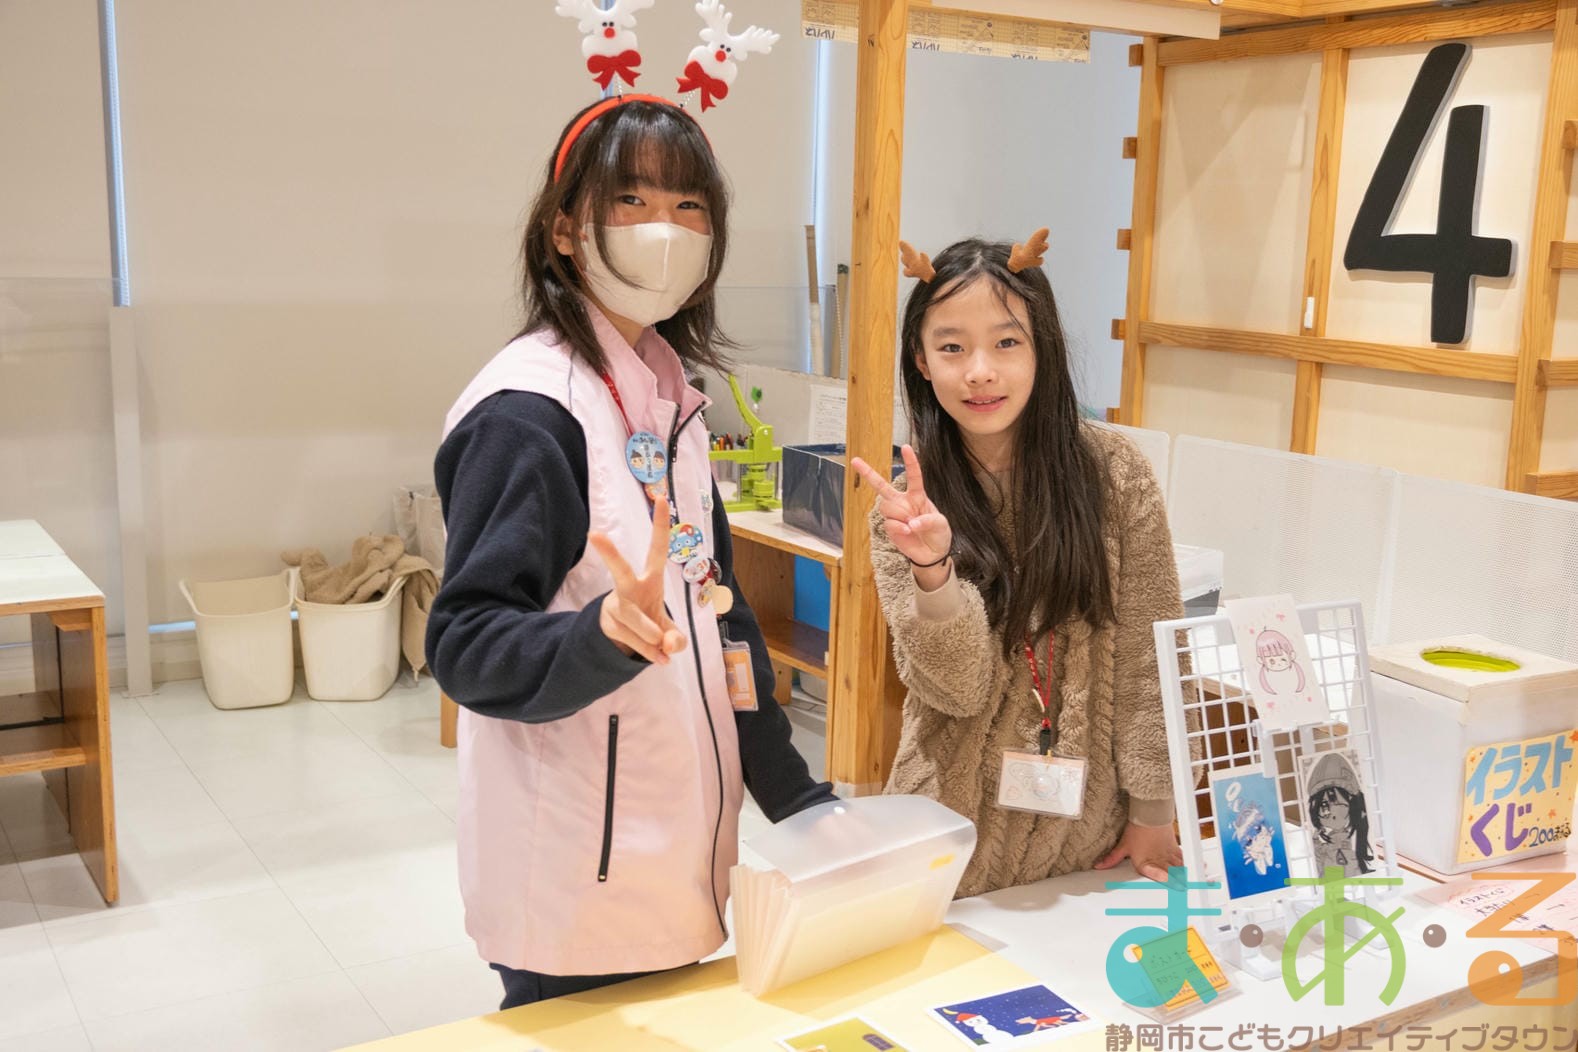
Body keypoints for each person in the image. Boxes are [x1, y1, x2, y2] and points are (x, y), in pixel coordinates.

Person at [426, 95, 834, 1009]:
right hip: (575, 880)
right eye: (632, 200)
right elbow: (464, 646)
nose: (666, 230)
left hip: (672, 858)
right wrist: (601, 634)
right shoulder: (528, 413)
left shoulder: (670, 403)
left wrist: (799, 800)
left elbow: (723, 625)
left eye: (690, 206)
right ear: (565, 229)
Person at [852, 233, 1196, 899]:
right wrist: (933, 570)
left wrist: (1154, 812)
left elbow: (1151, 656)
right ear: (921, 361)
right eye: (952, 347)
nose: (979, 371)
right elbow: (956, 692)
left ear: (1043, 349)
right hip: (945, 840)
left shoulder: (1115, 476)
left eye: (1006, 342)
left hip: (1088, 845)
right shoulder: (903, 513)